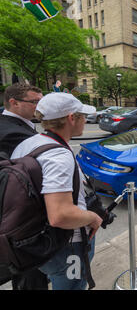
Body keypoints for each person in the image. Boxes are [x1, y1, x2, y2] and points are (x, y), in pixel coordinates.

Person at [11, 92, 103, 290]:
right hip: (67, 245)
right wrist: (93, 218)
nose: (85, 121)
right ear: (71, 118)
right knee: (73, 286)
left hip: (37, 239)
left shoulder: (30, 143)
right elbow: (60, 215)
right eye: (82, 116)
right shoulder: (58, 156)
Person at [0, 83, 48, 290]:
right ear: (14, 103)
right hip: (21, 216)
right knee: (29, 272)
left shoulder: (17, 124)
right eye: (35, 102)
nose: (40, 107)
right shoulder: (12, 133)